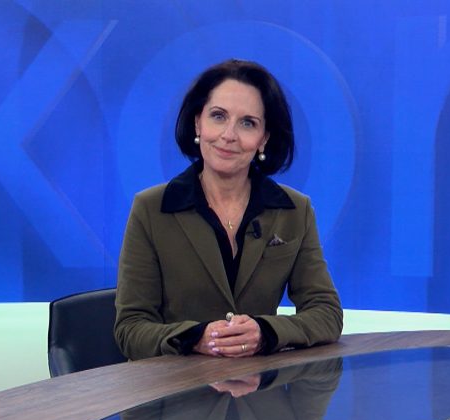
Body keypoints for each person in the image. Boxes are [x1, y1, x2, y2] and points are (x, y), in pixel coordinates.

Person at [114, 59, 342, 361]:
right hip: (177, 385)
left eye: (248, 123)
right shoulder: (152, 209)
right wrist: (197, 338)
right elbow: (130, 329)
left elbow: (326, 313)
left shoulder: (293, 210)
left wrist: (265, 332)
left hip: (260, 386)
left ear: (264, 138)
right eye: (218, 116)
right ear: (198, 123)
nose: (229, 135)